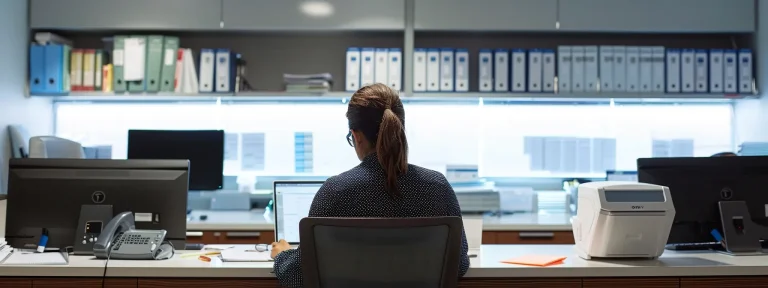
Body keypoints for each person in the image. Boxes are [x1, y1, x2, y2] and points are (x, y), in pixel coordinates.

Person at [271, 83, 470, 287]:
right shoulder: (437, 187)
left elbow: (300, 276)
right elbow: (459, 264)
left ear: (356, 137)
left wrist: (283, 256)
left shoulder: (335, 192)